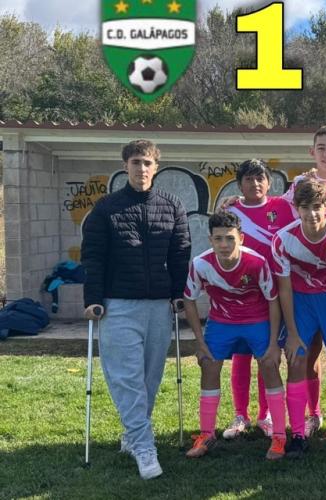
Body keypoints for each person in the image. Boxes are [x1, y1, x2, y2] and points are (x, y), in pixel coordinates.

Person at [81, 139, 191, 479]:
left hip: (158, 306)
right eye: (135, 162)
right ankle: (145, 447)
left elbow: (180, 253)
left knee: (148, 379)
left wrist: (178, 294)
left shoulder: (172, 206)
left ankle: (132, 436)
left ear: (156, 167)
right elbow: (93, 256)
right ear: (125, 166)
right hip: (118, 305)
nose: (141, 168)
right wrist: (92, 298)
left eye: (147, 163)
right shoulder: (106, 208)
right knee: (127, 380)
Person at [182, 211, 286, 460]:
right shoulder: (200, 264)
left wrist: (274, 343)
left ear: (241, 238)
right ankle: (207, 434)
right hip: (222, 321)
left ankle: (280, 437)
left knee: (269, 365)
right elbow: (189, 300)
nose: (224, 244)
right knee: (209, 365)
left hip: (256, 319)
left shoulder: (257, 262)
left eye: (230, 238)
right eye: (218, 239)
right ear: (210, 240)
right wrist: (199, 342)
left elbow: (274, 300)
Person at [272, 178, 326, 457]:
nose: (312, 213)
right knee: (296, 361)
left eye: (317, 206)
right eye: (305, 207)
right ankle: (298, 435)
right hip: (300, 302)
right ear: (296, 208)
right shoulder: (282, 239)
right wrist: (292, 332)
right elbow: (285, 288)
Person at [222, 159, 296, 440]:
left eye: (260, 178)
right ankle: (240, 414)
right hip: (242, 295)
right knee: (241, 356)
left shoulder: (284, 206)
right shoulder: (231, 210)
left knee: (269, 355)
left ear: (269, 182)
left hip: (276, 294)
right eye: (248, 179)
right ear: (239, 184)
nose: (255, 184)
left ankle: (266, 414)